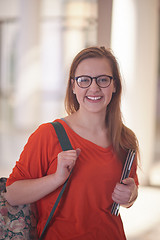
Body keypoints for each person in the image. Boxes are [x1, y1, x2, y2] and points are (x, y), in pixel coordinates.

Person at [4, 46, 139, 240]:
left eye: (103, 79)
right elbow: (12, 194)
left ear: (115, 85)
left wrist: (130, 195)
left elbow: (130, 194)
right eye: (84, 80)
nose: (94, 88)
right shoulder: (48, 135)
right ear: (73, 86)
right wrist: (56, 178)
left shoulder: (125, 139)